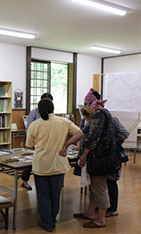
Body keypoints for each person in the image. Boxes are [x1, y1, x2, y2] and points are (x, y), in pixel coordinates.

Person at [26, 98, 82, 232]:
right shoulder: (63, 121)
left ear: (38, 111)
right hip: (58, 164)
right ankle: (52, 220)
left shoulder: (34, 125)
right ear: (53, 109)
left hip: (41, 165)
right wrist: (66, 145)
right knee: (55, 195)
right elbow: (80, 133)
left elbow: (29, 147)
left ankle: (47, 223)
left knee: (43, 195)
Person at [73, 88, 118, 228]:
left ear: (90, 104)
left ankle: (100, 219)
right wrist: (68, 142)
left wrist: (84, 155)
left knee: (100, 188)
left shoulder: (98, 115)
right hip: (106, 156)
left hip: (100, 158)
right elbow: (84, 131)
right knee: (95, 187)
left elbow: (93, 138)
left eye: (85, 105)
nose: (86, 109)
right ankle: (89, 212)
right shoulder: (105, 113)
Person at [21, 93, 53, 190]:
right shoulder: (34, 112)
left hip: (47, 143)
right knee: (30, 162)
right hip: (34, 142)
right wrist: (31, 141)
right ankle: (24, 181)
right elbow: (29, 127)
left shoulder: (52, 114)